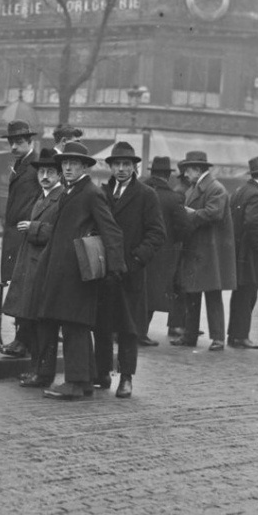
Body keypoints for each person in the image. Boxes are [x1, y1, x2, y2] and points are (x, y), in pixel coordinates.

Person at [29, 141, 126, 400]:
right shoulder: (72, 192)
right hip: (64, 271)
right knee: (74, 325)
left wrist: (115, 268)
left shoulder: (90, 193)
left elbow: (111, 230)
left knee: (75, 325)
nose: (68, 167)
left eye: (74, 163)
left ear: (85, 166)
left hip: (77, 273)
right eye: (65, 163)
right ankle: (83, 381)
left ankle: (75, 381)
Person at [94, 141, 165, 398]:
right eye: (117, 165)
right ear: (110, 167)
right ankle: (101, 373)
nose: (122, 169)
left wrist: (136, 260)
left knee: (128, 328)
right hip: (105, 272)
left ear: (134, 167)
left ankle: (126, 378)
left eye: (126, 164)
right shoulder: (102, 192)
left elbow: (157, 233)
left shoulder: (146, 194)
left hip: (131, 274)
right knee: (101, 325)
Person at [1, 146, 64, 388]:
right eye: (41, 172)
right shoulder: (43, 196)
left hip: (43, 269)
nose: (45, 176)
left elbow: (60, 233)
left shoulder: (59, 198)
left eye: (50, 172)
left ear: (59, 175)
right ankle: (36, 370)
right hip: (32, 267)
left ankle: (43, 373)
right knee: (35, 325)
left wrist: (34, 228)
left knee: (44, 327)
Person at [171, 150, 237, 352]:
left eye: (187, 170)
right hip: (200, 250)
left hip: (210, 252)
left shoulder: (215, 188)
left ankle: (218, 338)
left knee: (212, 295)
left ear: (197, 169)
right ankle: (190, 336)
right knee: (192, 293)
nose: (185, 174)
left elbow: (214, 214)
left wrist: (190, 214)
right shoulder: (198, 187)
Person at [0, 118, 42, 358]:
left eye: (19, 142)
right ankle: (20, 339)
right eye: (12, 142)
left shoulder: (35, 165)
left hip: (25, 234)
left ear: (29, 142)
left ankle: (23, 341)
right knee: (18, 288)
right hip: (15, 234)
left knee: (24, 289)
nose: (14, 147)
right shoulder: (21, 163)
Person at [227, 156, 258, 349]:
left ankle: (234, 334)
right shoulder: (257, 194)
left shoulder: (242, 190)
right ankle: (241, 336)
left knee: (239, 294)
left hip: (239, 252)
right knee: (248, 294)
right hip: (250, 253)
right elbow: (251, 221)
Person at [141, 155, 187, 343]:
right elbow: (183, 227)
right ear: (167, 176)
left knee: (137, 292)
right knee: (152, 294)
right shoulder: (172, 198)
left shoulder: (141, 191)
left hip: (138, 249)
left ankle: (124, 331)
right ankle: (140, 333)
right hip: (161, 254)